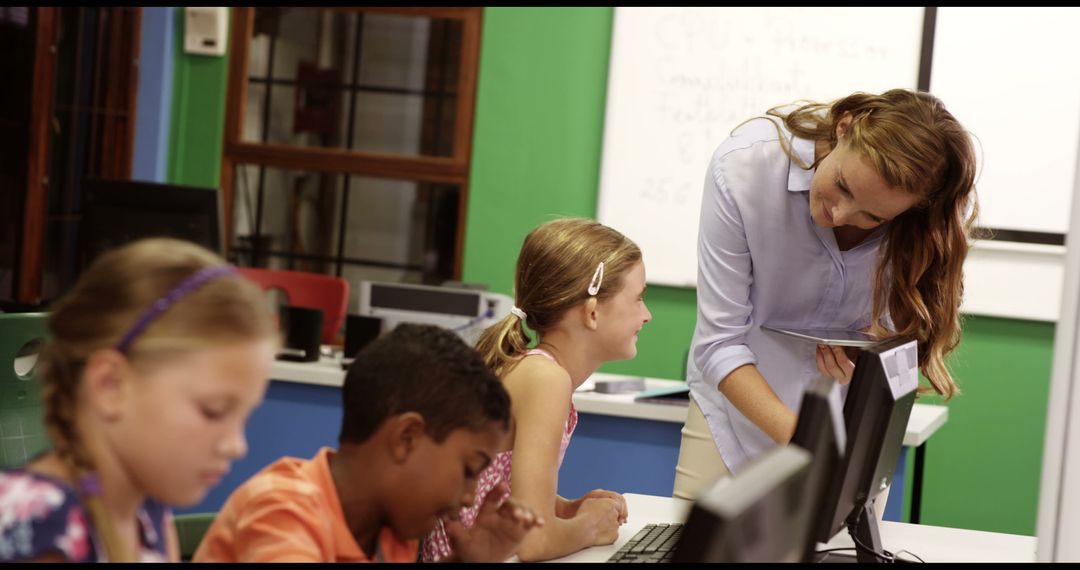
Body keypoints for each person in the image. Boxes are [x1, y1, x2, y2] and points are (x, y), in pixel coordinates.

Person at [674, 88, 978, 500]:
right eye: (843, 185)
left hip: (850, 429)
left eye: (874, 217)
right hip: (733, 416)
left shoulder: (928, 218)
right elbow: (718, 344)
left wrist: (872, 352)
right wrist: (807, 444)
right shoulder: (744, 169)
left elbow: (905, 336)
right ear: (843, 127)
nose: (839, 215)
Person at [0, 238, 279, 562]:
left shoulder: (149, 512)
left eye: (244, 416)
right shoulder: (40, 527)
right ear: (110, 385)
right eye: (213, 411)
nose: (236, 445)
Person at [193, 323, 543, 563]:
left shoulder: (391, 531)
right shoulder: (282, 511)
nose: (468, 497)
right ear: (406, 438)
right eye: (469, 470)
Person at [422, 217, 654, 562]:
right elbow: (535, 543)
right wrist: (591, 525)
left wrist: (568, 509)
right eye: (638, 299)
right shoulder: (546, 379)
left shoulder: (536, 370)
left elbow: (507, 497)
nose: (647, 315)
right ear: (592, 312)